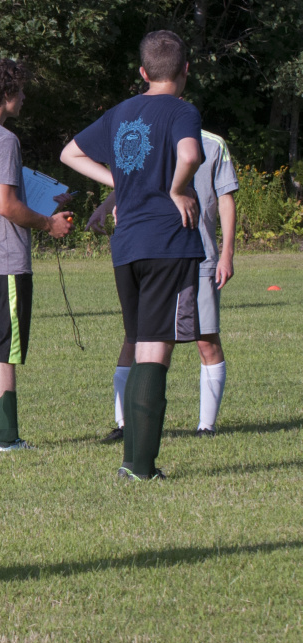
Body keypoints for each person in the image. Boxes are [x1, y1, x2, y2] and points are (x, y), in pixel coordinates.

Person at [61, 30, 204, 480]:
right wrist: (177, 188)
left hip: (126, 249)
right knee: (156, 349)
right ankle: (139, 466)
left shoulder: (121, 112)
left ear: (143, 73)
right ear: (185, 71)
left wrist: (117, 184)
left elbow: (70, 153)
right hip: (168, 240)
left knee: (141, 340)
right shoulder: (183, 111)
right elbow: (190, 152)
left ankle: (134, 460)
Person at [0, 59, 73, 452]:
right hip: (6, 261)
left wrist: (35, 200)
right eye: (20, 90)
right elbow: (6, 205)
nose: (24, 97)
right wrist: (48, 224)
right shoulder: (4, 141)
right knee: (4, 353)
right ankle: (7, 439)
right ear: (6, 95)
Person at [91, 129, 237, 442]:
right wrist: (106, 206)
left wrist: (226, 254)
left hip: (199, 256)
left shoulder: (212, 144)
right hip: (151, 255)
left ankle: (206, 427)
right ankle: (124, 424)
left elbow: (225, 198)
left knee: (206, 339)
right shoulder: (147, 137)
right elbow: (131, 182)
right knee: (136, 339)